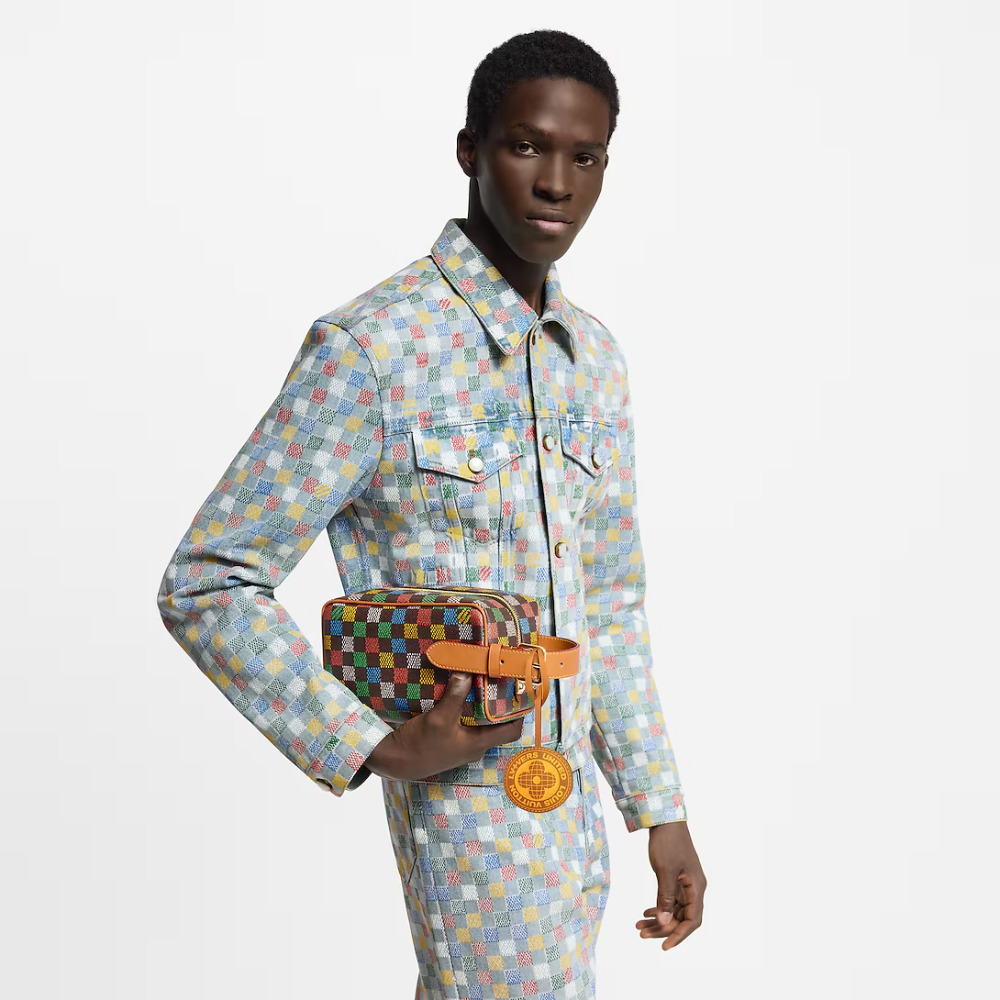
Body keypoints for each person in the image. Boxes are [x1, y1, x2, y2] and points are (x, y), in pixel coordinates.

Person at [156, 27, 706, 1000]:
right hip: (468, 810)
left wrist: (656, 805)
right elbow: (209, 579)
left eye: (585, 157)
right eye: (526, 146)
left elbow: (611, 602)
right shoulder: (373, 349)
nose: (555, 183)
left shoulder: (594, 360)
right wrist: (367, 740)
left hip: (578, 819)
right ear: (469, 149)